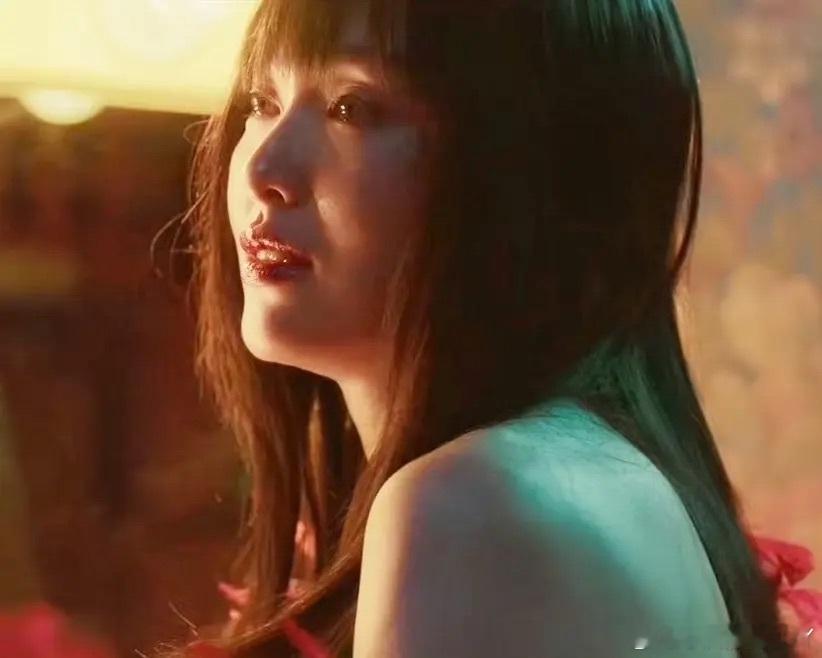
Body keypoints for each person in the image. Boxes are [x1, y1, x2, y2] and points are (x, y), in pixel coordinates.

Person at [158, 0, 799, 656]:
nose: (263, 170)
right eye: (262, 101)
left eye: (352, 107)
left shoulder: (473, 504)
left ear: (532, 166)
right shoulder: (584, 474)